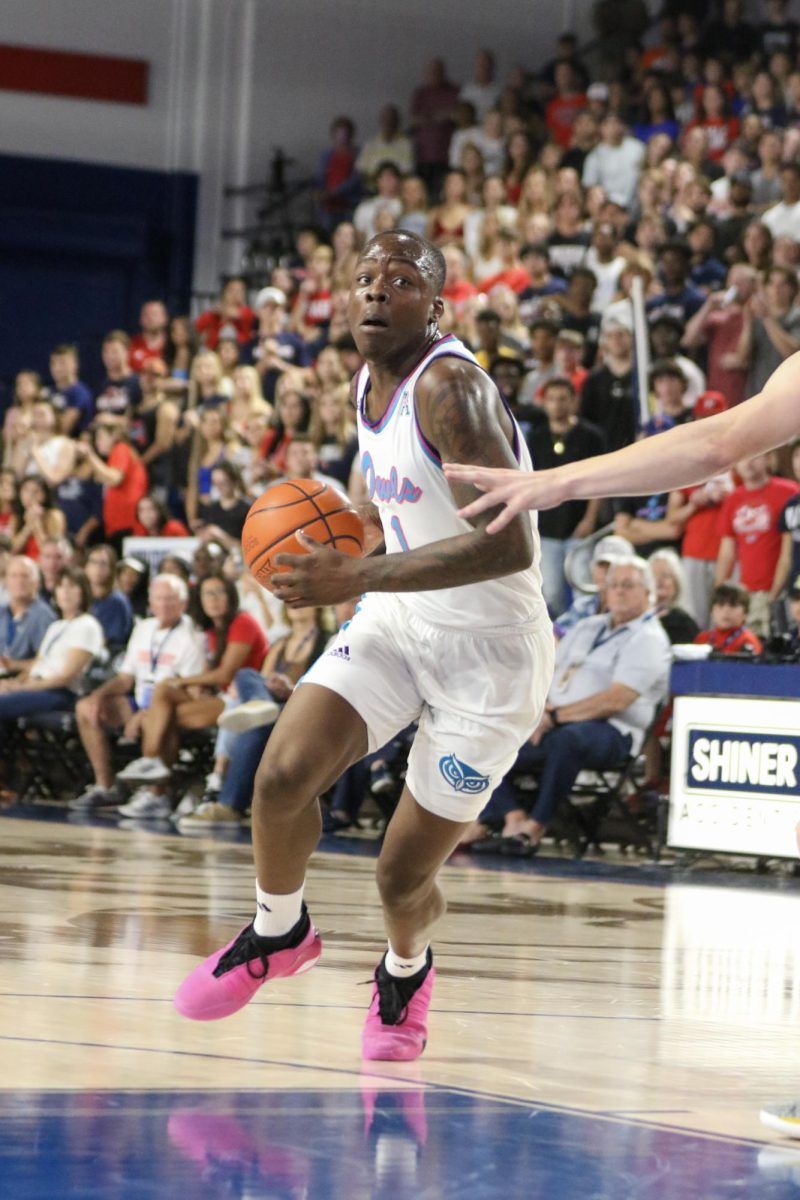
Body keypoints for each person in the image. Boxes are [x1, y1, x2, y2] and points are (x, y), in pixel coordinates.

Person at [173, 230, 553, 1064]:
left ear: (438, 304)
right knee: (279, 776)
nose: (379, 291)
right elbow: (415, 516)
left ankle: (406, 969)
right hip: (400, 619)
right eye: (366, 278)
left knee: (399, 878)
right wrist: (347, 569)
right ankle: (280, 931)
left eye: (403, 279)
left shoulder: (450, 388)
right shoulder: (364, 383)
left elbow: (510, 546)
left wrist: (359, 576)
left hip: (490, 656)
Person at [464, 556, 671, 856]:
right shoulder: (587, 627)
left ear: (648, 593)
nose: (619, 592)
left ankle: (536, 826)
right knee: (488, 737)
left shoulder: (649, 638)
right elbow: (546, 671)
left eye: (628, 585)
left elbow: (617, 699)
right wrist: (539, 713)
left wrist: (555, 717)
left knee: (568, 741)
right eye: (613, 585)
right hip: (553, 721)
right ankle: (512, 818)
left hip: (613, 733)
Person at [115, 573, 268, 816]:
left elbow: (224, 674)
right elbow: (206, 676)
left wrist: (182, 681)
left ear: (231, 596)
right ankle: (157, 789)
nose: (213, 599)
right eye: (207, 593)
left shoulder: (243, 622)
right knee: (163, 709)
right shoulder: (208, 631)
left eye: (219, 592)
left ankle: (155, 780)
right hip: (217, 699)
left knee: (163, 699)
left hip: (240, 702)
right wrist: (191, 687)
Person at [70, 574, 206, 811]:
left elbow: (190, 692)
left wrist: (146, 713)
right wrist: (98, 696)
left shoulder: (193, 637)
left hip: (171, 707)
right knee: (85, 707)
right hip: (139, 700)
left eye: (171, 599)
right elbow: (125, 678)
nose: (164, 604)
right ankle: (105, 787)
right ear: (150, 603)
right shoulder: (143, 628)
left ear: (183, 603)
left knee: (159, 716)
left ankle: (156, 794)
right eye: (159, 599)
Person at [0, 566, 104, 721]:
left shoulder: (87, 625)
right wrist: (11, 684)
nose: (65, 592)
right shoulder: (56, 626)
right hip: (37, 686)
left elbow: (65, 677)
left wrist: (21, 687)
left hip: (60, 692)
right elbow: (37, 665)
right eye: (61, 586)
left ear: (83, 591)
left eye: (72, 586)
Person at [0, 555, 56, 674]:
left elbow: (48, 661)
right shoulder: (2, 611)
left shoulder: (43, 616)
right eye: (14, 576)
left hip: (23, 681)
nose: (19, 581)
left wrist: (13, 665)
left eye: (25, 576)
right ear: (5, 581)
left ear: (37, 582)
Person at [694, 583, 763, 656]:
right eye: (721, 605)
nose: (726, 610)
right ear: (712, 611)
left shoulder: (748, 641)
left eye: (733, 605)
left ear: (745, 613)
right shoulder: (702, 639)